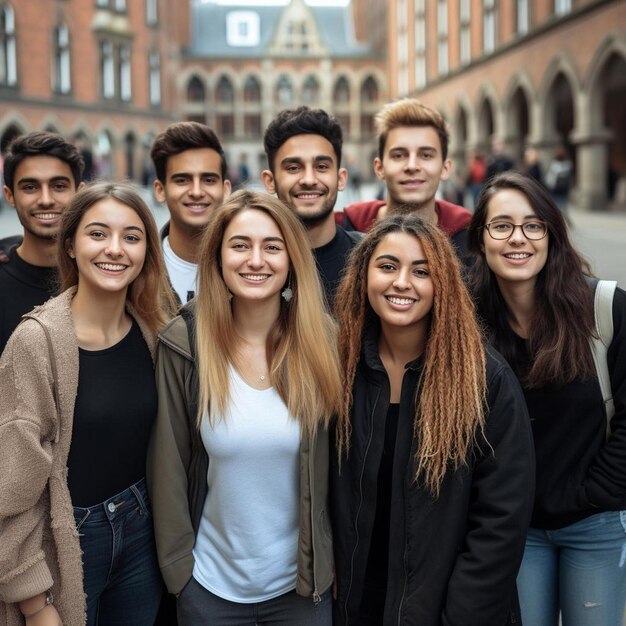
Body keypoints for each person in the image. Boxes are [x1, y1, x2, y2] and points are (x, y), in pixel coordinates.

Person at [147, 190, 342, 624]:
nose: (256, 260)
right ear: (217, 258)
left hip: (300, 590)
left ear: (292, 260)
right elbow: (169, 467)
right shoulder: (185, 343)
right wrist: (182, 576)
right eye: (240, 245)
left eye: (272, 247)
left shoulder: (324, 343)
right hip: (210, 589)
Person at [330, 214, 535, 625]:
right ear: (363, 275)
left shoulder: (483, 379)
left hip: (445, 610)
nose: (402, 282)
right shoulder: (339, 368)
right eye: (388, 266)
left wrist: (460, 614)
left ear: (442, 283)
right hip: (352, 606)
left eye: (421, 271)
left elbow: (501, 519)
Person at [0, 182, 175, 625]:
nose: (115, 249)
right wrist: (34, 603)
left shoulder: (154, 331)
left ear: (147, 253)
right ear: (72, 245)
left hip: (141, 532)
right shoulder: (36, 342)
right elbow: (11, 485)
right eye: (98, 234)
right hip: (70, 538)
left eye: (132, 237)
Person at [467, 171, 626, 626]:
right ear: (480, 239)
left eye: (533, 225)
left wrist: (596, 493)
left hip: (594, 523)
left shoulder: (606, 308)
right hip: (513, 530)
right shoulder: (467, 324)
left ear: (552, 235)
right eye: (501, 226)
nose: (518, 238)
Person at [338, 99, 472, 262]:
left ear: (445, 168)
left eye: (426, 155)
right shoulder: (343, 229)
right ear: (379, 168)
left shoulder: (470, 238)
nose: (412, 166)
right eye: (399, 155)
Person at [262, 106, 361, 305]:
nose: (308, 179)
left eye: (322, 167)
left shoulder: (370, 260)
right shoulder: (253, 266)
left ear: (340, 179)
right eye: (293, 168)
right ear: (270, 181)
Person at [0, 130, 84, 353]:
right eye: (30, 187)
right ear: (9, 195)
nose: (46, 200)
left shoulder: (104, 276)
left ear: (79, 193)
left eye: (59, 186)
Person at [151, 121, 232, 306]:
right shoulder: (137, 272)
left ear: (226, 189)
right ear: (160, 190)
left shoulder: (251, 268)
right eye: (182, 180)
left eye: (209, 180)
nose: (196, 191)